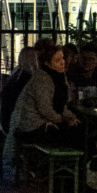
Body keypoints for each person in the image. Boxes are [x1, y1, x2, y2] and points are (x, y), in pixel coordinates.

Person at [6, 38, 83, 170]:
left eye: (63, 58)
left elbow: (61, 105)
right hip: (31, 127)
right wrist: (63, 120)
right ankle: (69, 172)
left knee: (79, 129)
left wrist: (71, 117)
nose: (63, 63)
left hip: (46, 123)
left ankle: (77, 170)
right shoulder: (42, 79)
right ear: (47, 63)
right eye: (58, 60)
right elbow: (45, 109)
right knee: (75, 135)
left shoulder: (59, 77)